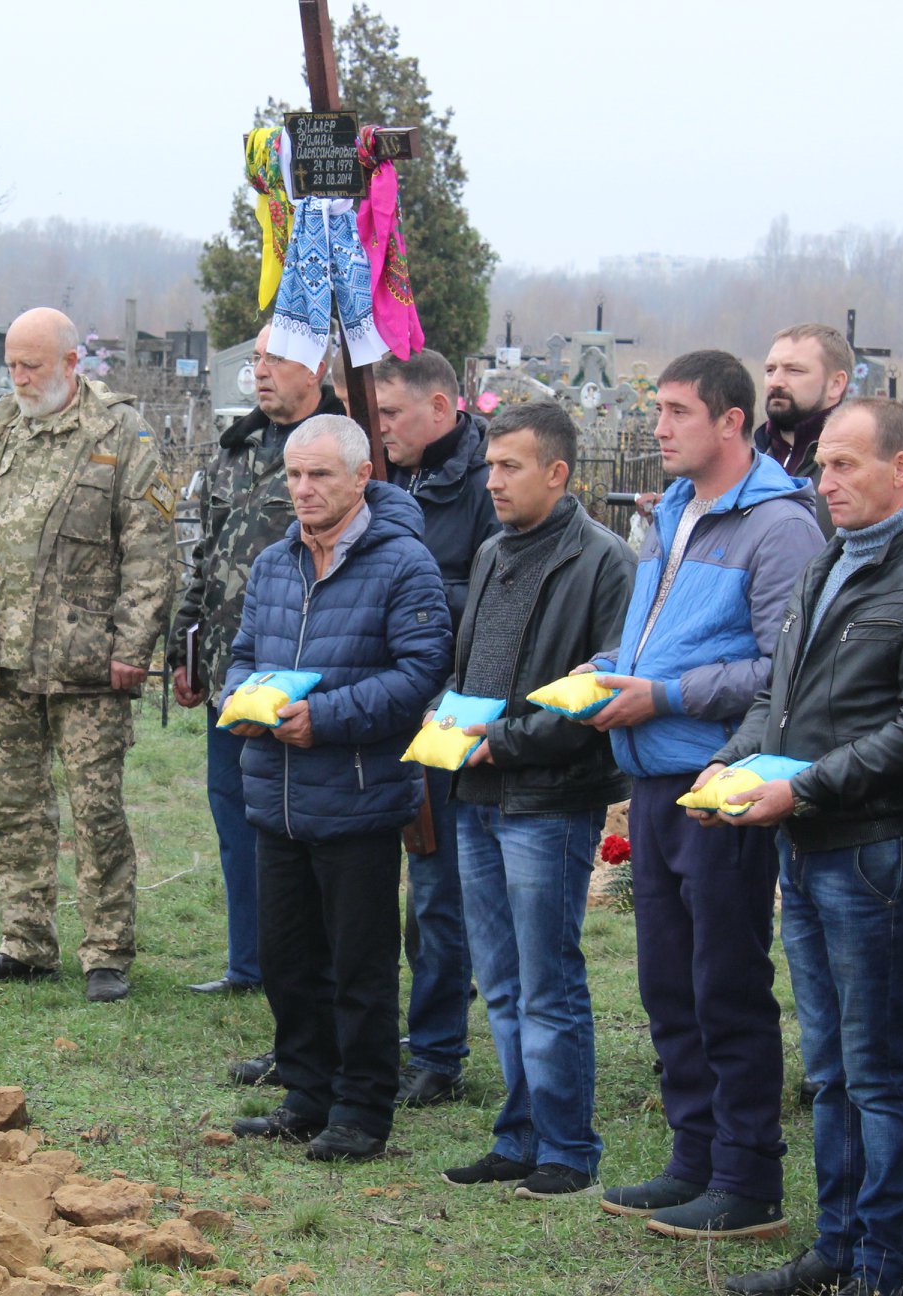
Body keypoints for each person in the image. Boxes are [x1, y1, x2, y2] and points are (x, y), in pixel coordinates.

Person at [696, 398, 903, 1296]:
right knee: (827, 1065)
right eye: (822, 468)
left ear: (902, 470)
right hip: (807, 842)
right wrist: (730, 764)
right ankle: (835, 1247)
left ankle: (884, 1264)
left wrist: (804, 787)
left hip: (875, 850)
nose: (825, 483)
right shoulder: (825, 563)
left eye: (846, 466)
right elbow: (779, 702)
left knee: (877, 1069)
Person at [577, 350, 822, 1240]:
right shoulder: (675, 509)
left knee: (726, 980)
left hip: (718, 777)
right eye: (659, 411)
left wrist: (667, 696)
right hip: (651, 777)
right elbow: (658, 635)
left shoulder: (779, 526)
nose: (660, 427)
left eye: (679, 411)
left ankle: (748, 1179)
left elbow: (783, 669)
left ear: (732, 422)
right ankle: (694, 1158)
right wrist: (612, 671)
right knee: (667, 981)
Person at [0, 307, 175, 1004]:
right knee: (12, 806)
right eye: (13, 364)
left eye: (33, 365)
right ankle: (26, 942)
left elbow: (151, 550)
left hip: (87, 658)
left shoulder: (120, 431)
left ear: (71, 363)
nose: (20, 378)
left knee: (95, 812)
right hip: (5, 651)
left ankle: (106, 953)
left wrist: (134, 646)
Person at [223, 414, 451, 1163]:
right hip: (276, 795)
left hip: (355, 793)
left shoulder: (402, 564)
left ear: (361, 479)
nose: (303, 489)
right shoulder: (274, 563)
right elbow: (243, 654)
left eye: (319, 475)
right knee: (287, 958)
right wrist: (244, 703)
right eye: (293, 475)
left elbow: (420, 673)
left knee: (359, 965)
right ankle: (306, 1093)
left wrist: (325, 719)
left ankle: (360, 1109)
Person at [430, 401, 634, 1199]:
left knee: (547, 977)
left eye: (510, 466)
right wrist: (445, 719)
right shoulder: (489, 552)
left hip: (548, 796)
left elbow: (593, 695)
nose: (493, 480)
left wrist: (505, 743)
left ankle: (568, 1148)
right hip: (475, 786)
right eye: (489, 465)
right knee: (502, 977)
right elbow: (471, 664)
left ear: (558, 471)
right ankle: (519, 1134)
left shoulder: (604, 561)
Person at [172, 328, 348, 1011]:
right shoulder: (235, 449)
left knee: (305, 826)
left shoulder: (338, 449)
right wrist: (184, 649)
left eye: (276, 359)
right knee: (234, 814)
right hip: (228, 673)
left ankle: (309, 965)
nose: (261, 372)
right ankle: (248, 959)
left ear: (319, 367)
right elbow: (206, 558)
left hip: (305, 678)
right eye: (256, 360)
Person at [373, 347, 501, 1107]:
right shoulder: (387, 479)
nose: (380, 427)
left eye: (392, 414)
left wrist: (412, 598)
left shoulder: (487, 488)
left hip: (454, 707)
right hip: (384, 696)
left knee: (437, 887)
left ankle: (439, 1049)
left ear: (443, 409)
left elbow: (493, 602)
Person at [755, 323, 854, 537]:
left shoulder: (858, 469)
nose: (776, 382)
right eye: (770, 370)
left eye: (794, 370)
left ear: (836, 384)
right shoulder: (749, 462)